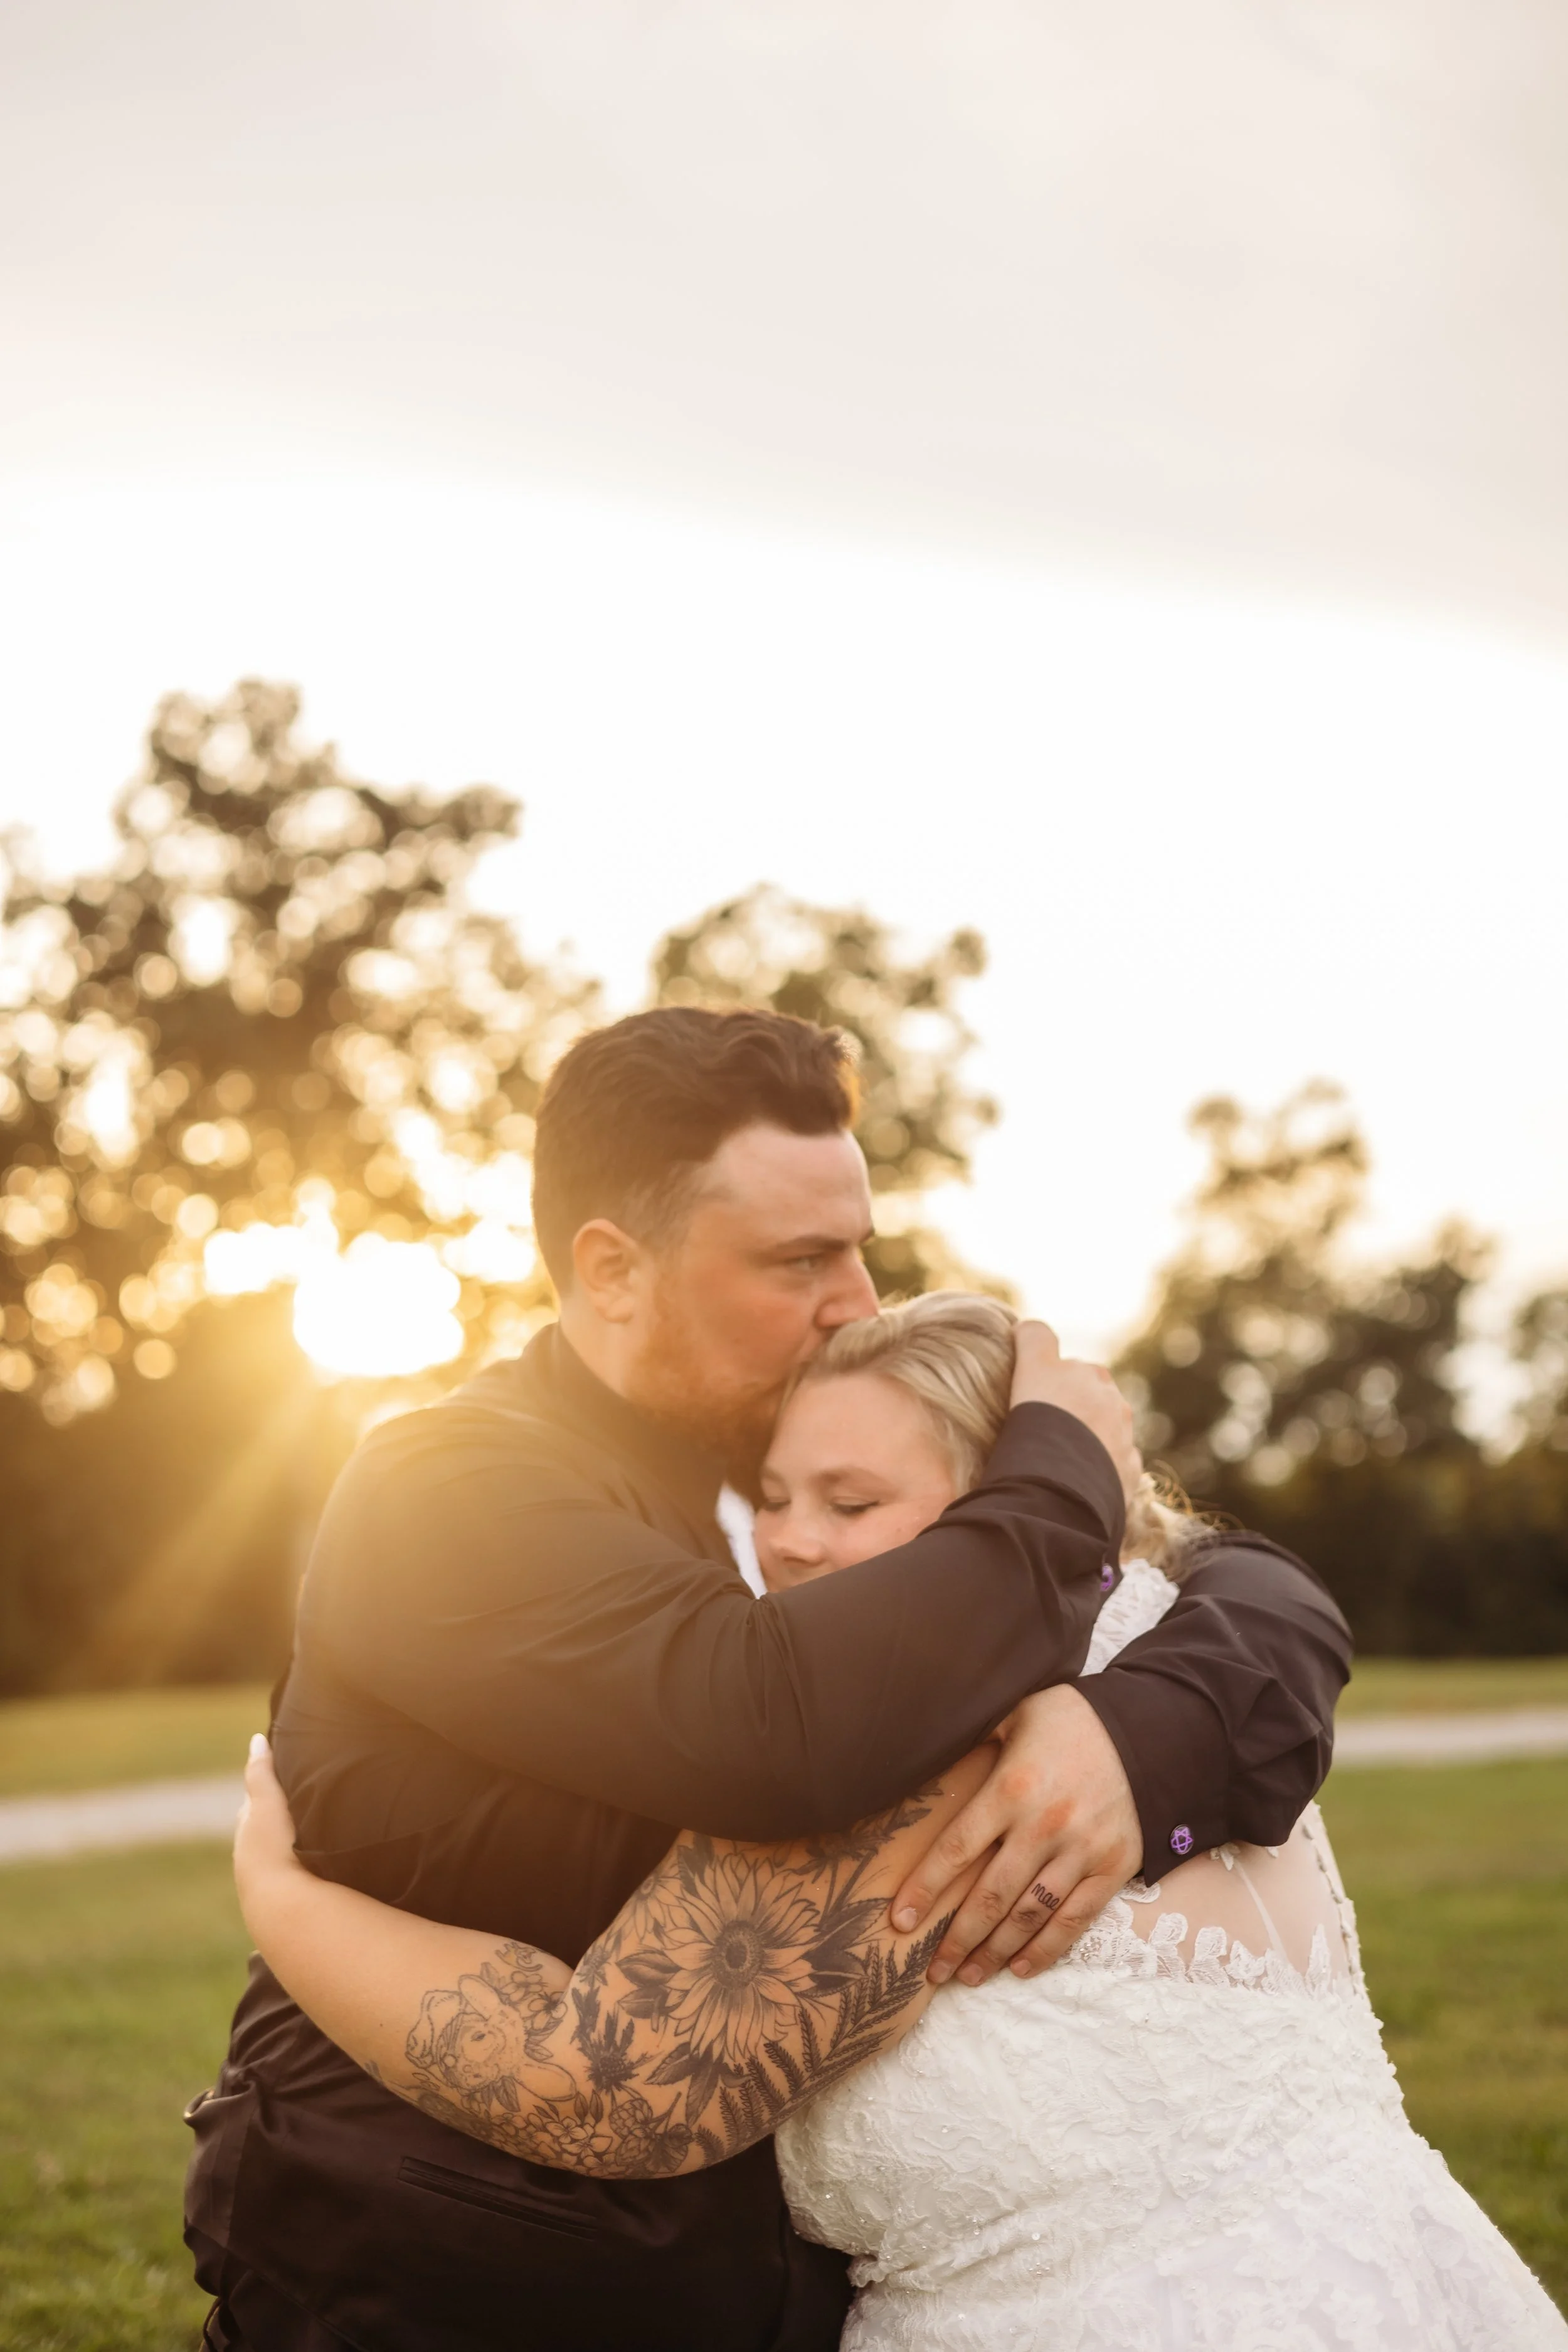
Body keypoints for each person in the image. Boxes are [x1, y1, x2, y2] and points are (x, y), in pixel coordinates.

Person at [188, 1005, 1348, 2352]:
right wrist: (1057, 1469)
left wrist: (1146, 1729)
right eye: (799, 1259)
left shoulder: (782, 1472)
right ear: (613, 1270)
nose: (855, 1297)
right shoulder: (445, 1487)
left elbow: (1234, 1578)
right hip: (446, 2287)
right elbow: (782, 1728)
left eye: (857, 1245)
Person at [236, 1292, 1567, 2351]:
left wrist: (287, 1903)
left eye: (852, 1501)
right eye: (773, 1496)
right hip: (1388, 2276)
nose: (789, 1543)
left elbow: (598, 2087)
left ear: (1005, 1493)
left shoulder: (937, 1733)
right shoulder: (1169, 1631)